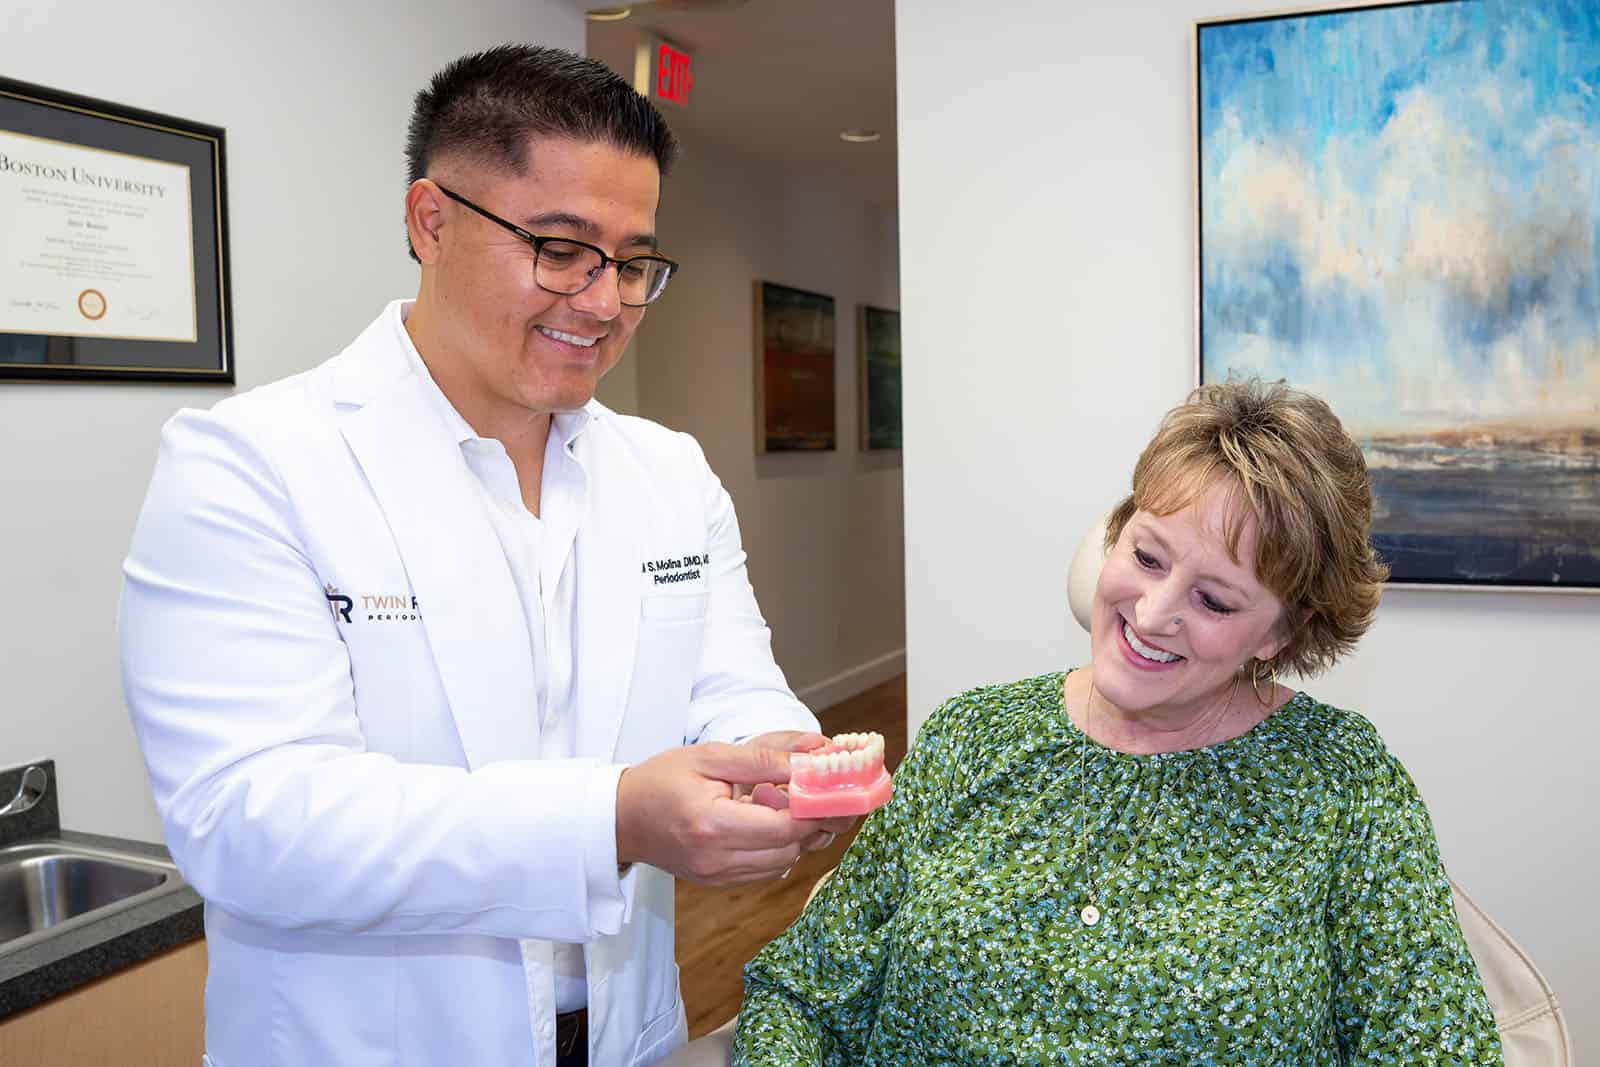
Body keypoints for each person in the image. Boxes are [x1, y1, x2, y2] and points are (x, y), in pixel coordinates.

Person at [118, 45, 854, 1067]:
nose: (602, 302)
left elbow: (730, 684)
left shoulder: (668, 473)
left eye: (633, 262)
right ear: (431, 220)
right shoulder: (251, 466)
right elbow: (253, 820)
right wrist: (613, 816)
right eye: (560, 248)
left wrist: (780, 762)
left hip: (625, 1027)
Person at [736, 380, 1503, 1065]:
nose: (1154, 612)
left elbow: (1440, 1044)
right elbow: (801, 991)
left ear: (1279, 634)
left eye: (1214, 600)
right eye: (1147, 554)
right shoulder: (971, 736)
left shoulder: (1343, 783)